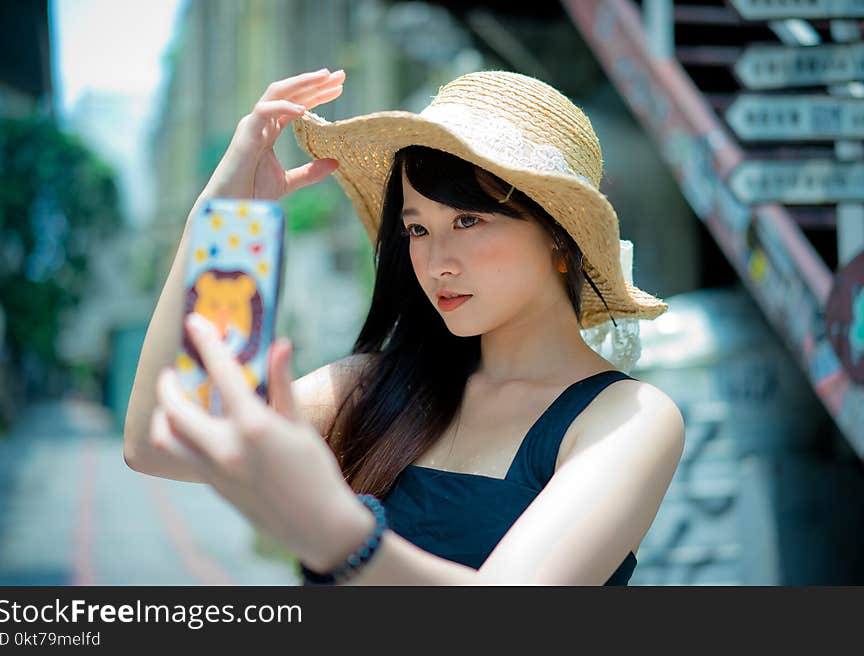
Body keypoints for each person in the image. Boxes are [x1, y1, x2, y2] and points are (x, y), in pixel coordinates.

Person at [123, 67, 685, 586]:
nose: (438, 259)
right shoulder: (373, 388)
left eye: (469, 220)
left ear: (561, 239)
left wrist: (339, 533)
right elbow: (159, 441)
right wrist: (218, 227)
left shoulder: (626, 419)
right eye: (417, 230)